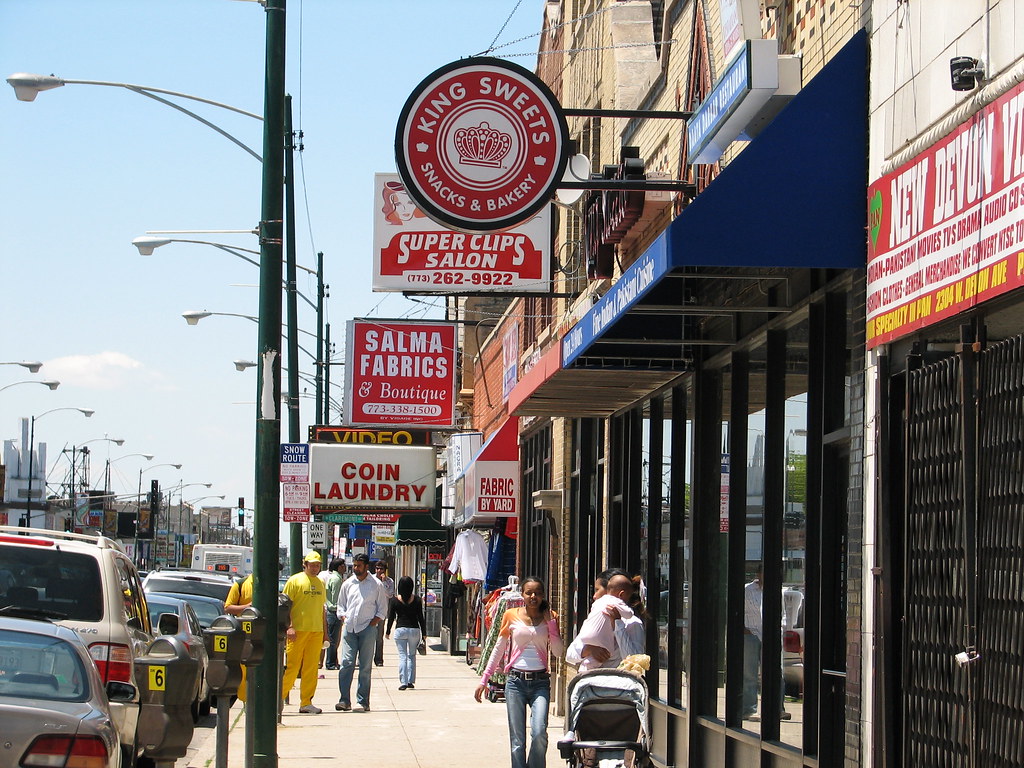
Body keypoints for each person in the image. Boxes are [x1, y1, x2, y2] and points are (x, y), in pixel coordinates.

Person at [474, 576, 563, 768]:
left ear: (543, 595)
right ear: (522, 594)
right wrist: (484, 680)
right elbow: (498, 648)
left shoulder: (551, 616)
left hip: (540, 682)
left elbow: (558, 651)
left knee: (539, 733)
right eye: (529, 592)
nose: (533, 596)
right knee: (517, 741)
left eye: (538, 593)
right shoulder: (511, 614)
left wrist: (552, 625)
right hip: (515, 682)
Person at [336, 553, 388, 712]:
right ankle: (344, 700)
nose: (356, 568)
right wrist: (343, 616)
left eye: (359, 565)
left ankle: (363, 701)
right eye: (355, 565)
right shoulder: (348, 584)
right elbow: (341, 605)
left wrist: (373, 623)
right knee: (346, 663)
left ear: (366, 567)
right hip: (350, 629)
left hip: (367, 629)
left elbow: (382, 609)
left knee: (365, 666)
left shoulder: (376, 584)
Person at [566, 569, 645, 670]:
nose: (594, 596)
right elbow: (569, 655)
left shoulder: (633, 623)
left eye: (597, 590)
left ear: (610, 591)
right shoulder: (597, 619)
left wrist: (618, 624)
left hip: (617, 682)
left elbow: (634, 661)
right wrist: (589, 649)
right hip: (591, 682)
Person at [280, 552, 328, 714]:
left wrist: (325, 633)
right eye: (312, 565)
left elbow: (322, 609)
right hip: (297, 631)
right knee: (292, 667)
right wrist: (289, 626)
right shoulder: (295, 580)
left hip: (316, 631)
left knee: (311, 668)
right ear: (304, 564)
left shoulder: (320, 583)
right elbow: (284, 605)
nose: (315, 568)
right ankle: (278, 699)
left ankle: (306, 702)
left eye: (317, 565)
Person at [742, 565, 791, 721]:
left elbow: (782, 614)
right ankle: (749, 709)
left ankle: (777, 708)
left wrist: (779, 630)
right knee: (749, 673)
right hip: (751, 634)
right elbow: (738, 610)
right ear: (759, 574)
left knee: (776, 672)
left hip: (771, 636)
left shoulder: (777, 591)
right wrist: (744, 629)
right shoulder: (747, 590)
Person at [385, 575, 427, 690]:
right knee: (411, 656)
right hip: (414, 630)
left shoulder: (394, 600)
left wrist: (388, 631)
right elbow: (420, 617)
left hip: (400, 630)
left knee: (402, 656)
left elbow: (391, 616)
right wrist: (424, 633)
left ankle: (403, 682)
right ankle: (410, 681)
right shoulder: (417, 600)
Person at [223, 573, 254, 703]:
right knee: (243, 669)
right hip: (244, 635)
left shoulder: (272, 585)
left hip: (263, 634)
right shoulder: (241, 584)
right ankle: (244, 699)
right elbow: (228, 607)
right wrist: (247, 607)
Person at [373, 560, 396, 666]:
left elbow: (390, 594)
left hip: (381, 613)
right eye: (377, 568)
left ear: (385, 570)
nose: (379, 571)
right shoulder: (370, 579)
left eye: (381, 569)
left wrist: (383, 582)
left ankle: (378, 659)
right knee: (366, 637)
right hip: (369, 612)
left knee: (379, 638)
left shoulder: (389, 581)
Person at [323, 558, 345, 670]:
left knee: (333, 639)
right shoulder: (336, 579)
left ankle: (333, 662)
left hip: (332, 612)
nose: (345, 567)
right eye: (343, 565)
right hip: (334, 612)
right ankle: (330, 663)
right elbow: (336, 598)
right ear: (339, 567)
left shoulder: (333, 578)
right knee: (333, 640)